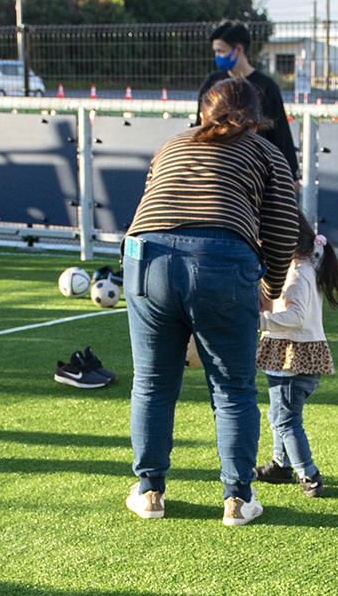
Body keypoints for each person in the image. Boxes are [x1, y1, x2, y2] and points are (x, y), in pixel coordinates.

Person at [121, 76, 305, 525]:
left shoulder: (172, 143)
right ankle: (238, 499)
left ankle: (149, 493)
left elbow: (150, 202)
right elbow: (283, 230)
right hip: (222, 257)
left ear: (205, 111)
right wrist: (271, 288)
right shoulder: (265, 152)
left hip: (144, 255)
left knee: (151, 383)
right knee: (232, 388)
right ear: (258, 119)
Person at [255, 218, 338, 499]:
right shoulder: (303, 269)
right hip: (293, 358)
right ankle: (281, 465)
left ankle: (309, 474)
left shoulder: (297, 273)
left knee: (286, 420)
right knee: (280, 415)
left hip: (292, 361)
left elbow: (296, 316)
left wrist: (259, 321)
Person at [201, 22, 298, 174]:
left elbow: (280, 131)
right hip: (217, 161)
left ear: (238, 49)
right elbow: (200, 125)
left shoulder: (265, 85)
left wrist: (290, 171)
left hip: (256, 165)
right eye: (215, 52)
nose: (217, 57)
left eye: (221, 51)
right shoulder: (212, 81)